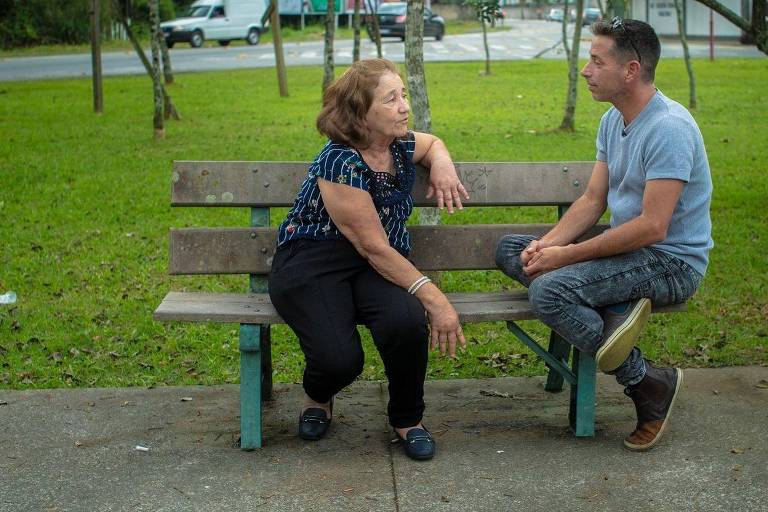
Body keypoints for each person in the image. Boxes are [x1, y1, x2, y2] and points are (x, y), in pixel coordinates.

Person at [495, 18, 712, 451]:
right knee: (511, 249)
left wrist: (566, 259)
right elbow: (593, 201)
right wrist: (550, 244)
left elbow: (653, 226)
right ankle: (613, 309)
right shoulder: (614, 121)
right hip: (634, 254)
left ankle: (648, 384)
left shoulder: (668, 127)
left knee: (549, 293)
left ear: (630, 70)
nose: (585, 70)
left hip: (671, 261)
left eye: (596, 61)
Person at [268, 58, 469, 460]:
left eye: (404, 95)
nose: (404, 106)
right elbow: (373, 246)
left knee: (405, 323)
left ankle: (407, 419)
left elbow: (431, 143)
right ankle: (317, 395)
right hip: (314, 262)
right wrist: (436, 298)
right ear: (361, 113)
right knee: (339, 360)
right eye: (391, 99)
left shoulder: (399, 144)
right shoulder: (340, 160)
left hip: (376, 263)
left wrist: (443, 165)